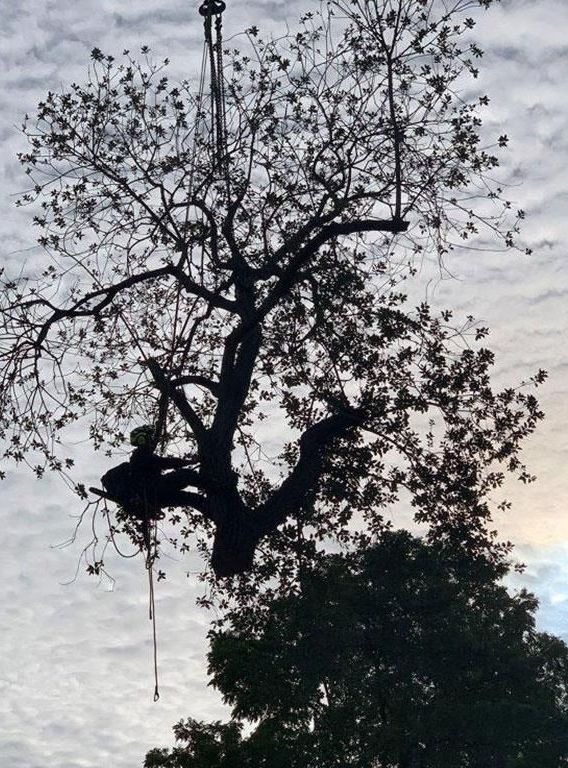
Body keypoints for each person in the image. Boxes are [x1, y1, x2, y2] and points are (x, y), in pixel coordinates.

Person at [100, 425, 199, 527]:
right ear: (143, 439)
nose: (152, 440)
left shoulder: (139, 457)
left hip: (155, 497)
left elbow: (161, 463)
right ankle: (213, 486)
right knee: (186, 476)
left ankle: (211, 502)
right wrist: (188, 462)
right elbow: (164, 463)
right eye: (149, 437)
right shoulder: (140, 455)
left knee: (191, 499)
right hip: (154, 490)